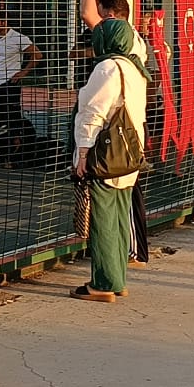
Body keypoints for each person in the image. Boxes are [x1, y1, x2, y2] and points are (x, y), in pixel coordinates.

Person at [71, 15, 149, 302]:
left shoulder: (106, 68)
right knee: (118, 216)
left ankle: (103, 283)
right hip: (129, 153)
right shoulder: (135, 69)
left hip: (106, 154)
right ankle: (118, 279)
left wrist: (83, 153)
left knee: (102, 218)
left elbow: (93, 113)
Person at [0, 9, 38, 156]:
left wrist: (23, 72)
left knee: (12, 117)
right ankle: (3, 148)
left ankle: (16, 148)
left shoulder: (18, 38)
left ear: (4, 22)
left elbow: (37, 54)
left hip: (9, 83)